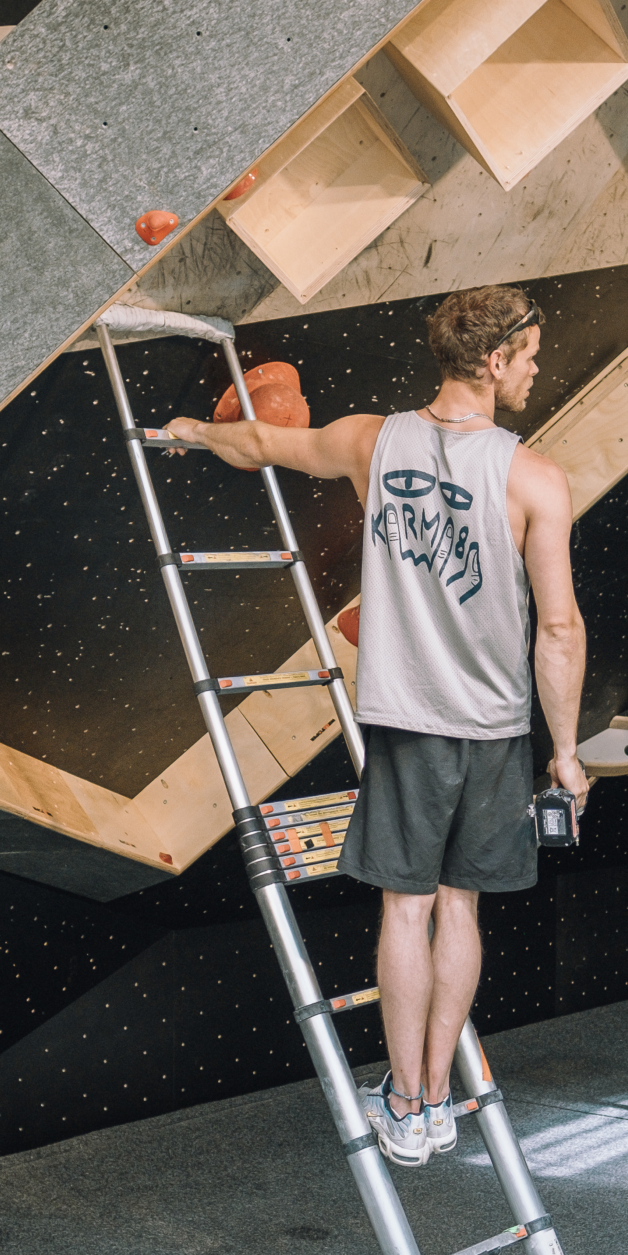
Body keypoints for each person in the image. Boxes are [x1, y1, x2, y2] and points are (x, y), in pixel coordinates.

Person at [165, 285, 587, 1167]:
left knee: (407, 910)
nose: (538, 366)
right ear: (495, 360)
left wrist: (196, 433)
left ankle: (409, 1100)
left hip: (409, 723)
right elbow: (558, 629)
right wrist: (568, 754)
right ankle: (434, 1095)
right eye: (532, 353)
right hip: (497, 731)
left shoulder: (370, 439)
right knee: (459, 907)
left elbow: (266, 443)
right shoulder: (536, 478)